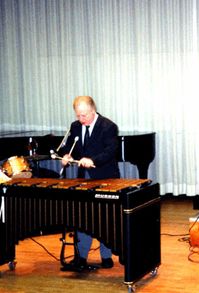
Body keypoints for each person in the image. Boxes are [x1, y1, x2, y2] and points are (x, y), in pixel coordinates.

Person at [60, 95, 120, 269]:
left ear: (93, 110)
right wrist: (66, 155)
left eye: (84, 115)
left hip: (106, 177)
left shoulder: (108, 126)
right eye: (78, 115)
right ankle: (81, 256)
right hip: (84, 178)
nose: (80, 119)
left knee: (105, 218)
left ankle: (106, 256)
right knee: (82, 217)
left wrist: (92, 160)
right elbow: (69, 146)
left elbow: (111, 151)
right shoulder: (76, 126)